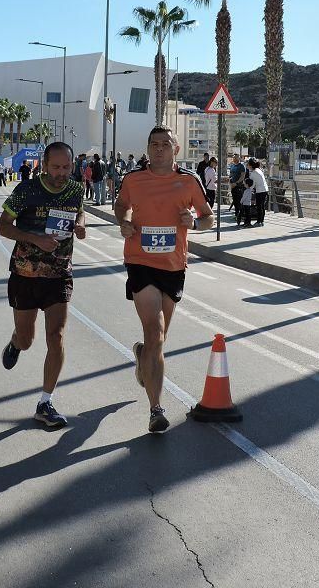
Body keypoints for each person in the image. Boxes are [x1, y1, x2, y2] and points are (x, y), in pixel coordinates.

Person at [114, 127, 214, 434]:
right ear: (148, 148)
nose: (159, 149)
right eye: (154, 145)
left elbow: (208, 217)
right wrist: (125, 221)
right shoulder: (133, 179)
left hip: (173, 266)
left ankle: (144, 356)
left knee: (158, 340)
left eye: (165, 144)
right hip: (140, 262)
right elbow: (121, 205)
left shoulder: (189, 181)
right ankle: (155, 409)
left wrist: (194, 222)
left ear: (176, 148)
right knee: (156, 331)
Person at [0, 142, 86, 429]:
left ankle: (45, 402)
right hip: (25, 274)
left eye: (67, 167)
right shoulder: (26, 191)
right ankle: (15, 342)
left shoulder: (75, 189)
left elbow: (79, 211)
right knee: (27, 340)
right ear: (44, 165)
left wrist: (81, 224)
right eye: (56, 167)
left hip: (59, 273)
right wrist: (35, 239)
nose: (61, 173)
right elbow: (3, 226)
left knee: (56, 336)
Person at [248, 158, 269, 226]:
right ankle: (261, 221)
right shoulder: (259, 170)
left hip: (260, 191)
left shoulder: (253, 173)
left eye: (248, 164)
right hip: (264, 189)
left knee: (259, 206)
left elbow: (252, 184)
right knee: (262, 206)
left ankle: (259, 221)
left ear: (251, 165)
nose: (247, 166)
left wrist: (248, 191)